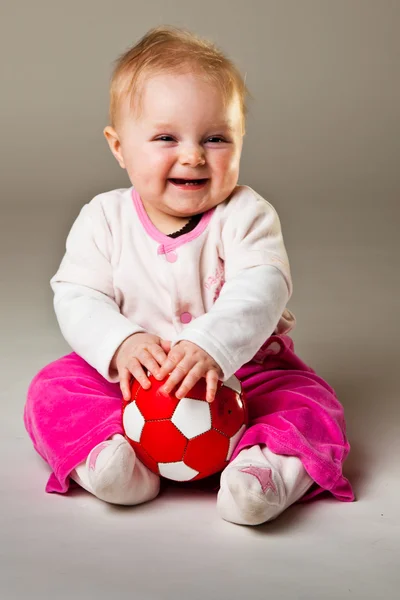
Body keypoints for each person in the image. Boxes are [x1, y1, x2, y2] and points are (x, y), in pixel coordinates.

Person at [24, 25, 354, 526]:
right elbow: (77, 295)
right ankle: (110, 461)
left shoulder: (247, 213)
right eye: (165, 138)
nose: (194, 155)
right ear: (119, 148)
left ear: (241, 140)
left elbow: (261, 286)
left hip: (244, 375)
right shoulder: (103, 217)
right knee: (53, 391)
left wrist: (213, 346)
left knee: (310, 404)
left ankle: (260, 475)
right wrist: (122, 343)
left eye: (216, 138)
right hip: (134, 380)